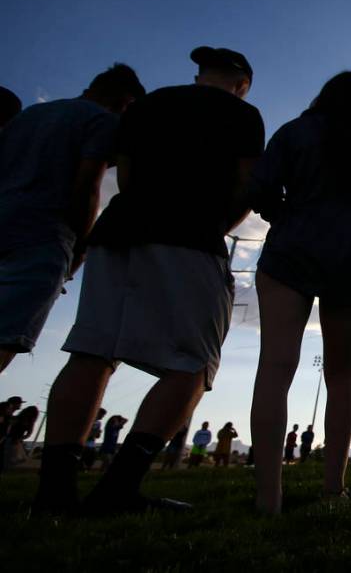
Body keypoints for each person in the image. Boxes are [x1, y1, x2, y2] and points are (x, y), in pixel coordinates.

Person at [33, 46, 263, 515]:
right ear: (242, 84)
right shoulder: (243, 114)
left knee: (92, 353)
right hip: (190, 237)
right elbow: (247, 185)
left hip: (119, 231)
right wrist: (216, 226)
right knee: (193, 367)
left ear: (201, 76)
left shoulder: (149, 104)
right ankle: (118, 488)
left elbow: (128, 174)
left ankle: (54, 494)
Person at [248, 71, 351, 513]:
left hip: (289, 256)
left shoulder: (296, 131)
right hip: (350, 262)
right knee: (341, 376)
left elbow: (260, 191)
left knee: (275, 371)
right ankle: (334, 489)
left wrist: (290, 216)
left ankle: (268, 497)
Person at [0, 65, 145, 374]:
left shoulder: (27, 116)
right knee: (5, 337)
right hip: (41, 237)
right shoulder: (101, 122)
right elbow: (87, 186)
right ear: (126, 103)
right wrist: (79, 249)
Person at [2, 405, 39, 470]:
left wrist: (20, 438)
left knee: (13, 457)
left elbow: (28, 434)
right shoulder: (22, 420)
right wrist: (20, 438)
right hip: (12, 439)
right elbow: (28, 434)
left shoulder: (25, 421)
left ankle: (7, 468)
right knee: (13, 457)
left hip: (14, 439)